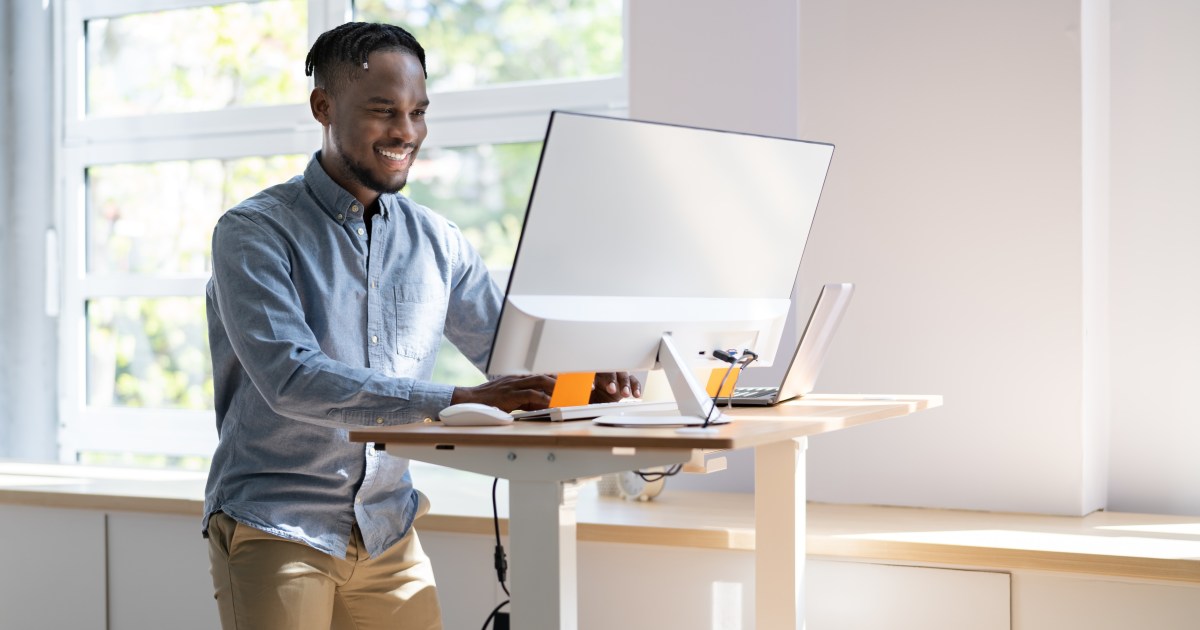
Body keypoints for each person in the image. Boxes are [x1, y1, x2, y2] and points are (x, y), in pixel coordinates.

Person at [202, 21, 638, 630]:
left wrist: (591, 371)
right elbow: (291, 378)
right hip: (281, 522)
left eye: (417, 112)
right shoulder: (254, 233)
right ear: (323, 106)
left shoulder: (438, 241)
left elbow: (512, 354)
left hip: (387, 530)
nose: (406, 132)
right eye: (384, 111)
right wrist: (456, 401)